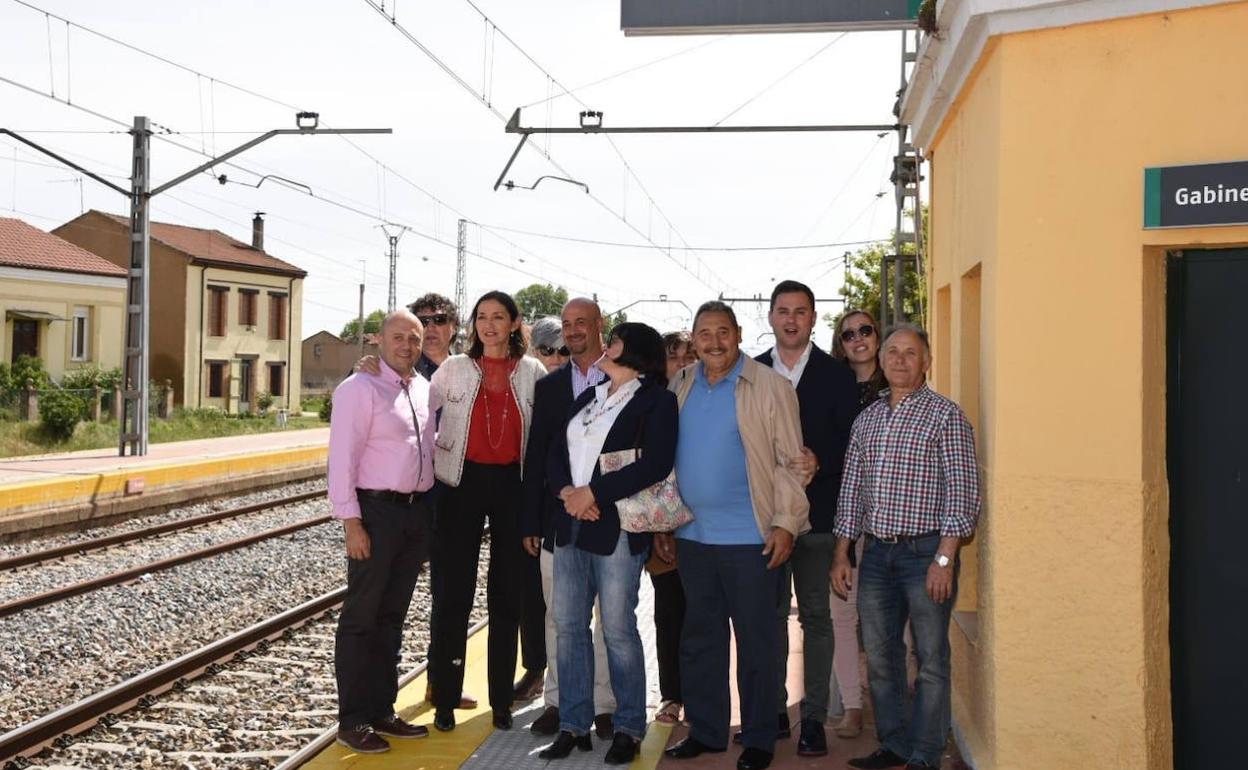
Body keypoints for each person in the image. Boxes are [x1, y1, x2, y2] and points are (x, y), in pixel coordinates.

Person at [662, 301, 810, 770]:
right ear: (694, 339)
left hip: (752, 538)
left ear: (739, 333)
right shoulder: (680, 384)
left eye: (722, 332)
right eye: (704, 333)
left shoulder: (771, 386)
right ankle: (706, 731)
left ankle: (762, 736)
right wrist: (666, 523)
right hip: (694, 537)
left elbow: (791, 462)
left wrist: (786, 523)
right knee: (700, 638)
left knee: (758, 641)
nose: (714, 341)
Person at [832, 324, 982, 770]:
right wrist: (843, 552)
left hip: (924, 556)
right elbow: (852, 491)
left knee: (931, 659)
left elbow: (963, 493)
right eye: (892, 352)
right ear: (881, 360)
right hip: (876, 555)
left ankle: (926, 752)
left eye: (910, 353)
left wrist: (944, 558)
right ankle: (894, 743)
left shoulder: (946, 416)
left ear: (927, 362)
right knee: (881, 657)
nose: (899, 360)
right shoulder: (868, 419)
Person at [538, 322, 678, 765]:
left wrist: (594, 493)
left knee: (617, 629)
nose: (605, 346)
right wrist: (568, 495)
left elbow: (655, 463)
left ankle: (629, 727)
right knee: (570, 627)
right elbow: (554, 455)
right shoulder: (588, 398)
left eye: (613, 340)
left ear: (633, 351)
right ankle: (573, 726)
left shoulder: (658, 401)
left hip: (615, 527)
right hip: (571, 524)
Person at [427, 291, 548, 732]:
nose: (489, 325)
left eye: (499, 317)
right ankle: (444, 697)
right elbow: (417, 404)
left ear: (516, 323)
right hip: (460, 485)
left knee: (506, 596)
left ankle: (500, 701)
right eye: (482, 317)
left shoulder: (533, 372)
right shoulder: (454, 369)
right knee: (453, 596)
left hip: (512, 489)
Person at [753, 280, 859, 757]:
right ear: (770, 317)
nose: (791, 319)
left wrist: (822, 460)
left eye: (801, 311)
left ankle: (812, 718)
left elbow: (853, 446)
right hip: (766, 520)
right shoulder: (751, 372)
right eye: (783, 311)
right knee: (769, 618)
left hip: (818, 521)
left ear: (814, 319)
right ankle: (774, 711)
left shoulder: (837, 375)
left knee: (816, 618)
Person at [328, 310, 436, 753]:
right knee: (361, 618)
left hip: (414, 516)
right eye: (398, 337)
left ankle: (381, 710)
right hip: (374, 513)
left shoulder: (426, 389)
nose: (406, 345)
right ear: (379, 340)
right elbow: (342, 460)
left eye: (414, 338)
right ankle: (352, 720)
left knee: (392, 618)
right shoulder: (358, 389)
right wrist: (352, 522)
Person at [520, 298, 618, 738]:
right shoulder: (551, 387)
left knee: (609, 619)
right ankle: (559, 703)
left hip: (611, 516)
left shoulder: (625, 379)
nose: (574, 331)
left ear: (600, 326)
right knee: (560, 617)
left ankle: (604, 706)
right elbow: (537, 457)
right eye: (567, 324)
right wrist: (530, 521)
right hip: (558, 520)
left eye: (582, 323)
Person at [826, 307, 888, 738]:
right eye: (849, 335)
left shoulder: (902, 382)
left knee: (891, 623)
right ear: (841, 344)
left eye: (866, 330)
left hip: (892, 520)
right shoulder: (832, 387)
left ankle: (891, 707)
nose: (859, 339)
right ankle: (852, 706)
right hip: (844, 519)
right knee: (842, 616)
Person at [512, 316, 569, 703]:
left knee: (570, 602)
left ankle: (569, 678)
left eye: (563, 350)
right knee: (529, 594)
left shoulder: (580, 385)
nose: (555, 357)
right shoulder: (519, 381)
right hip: (522, 500)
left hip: (562, 504)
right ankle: (535, 668)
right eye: (547, 350)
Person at [644, 330, 697, 726]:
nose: (682, 364)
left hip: (707, 524)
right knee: (669, 612)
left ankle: (703, 696)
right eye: (675, 357)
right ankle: (672, 696)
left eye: (689, 355)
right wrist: (661, 526)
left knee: (706, 614)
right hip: (663, 523)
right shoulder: (653, 402)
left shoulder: (710, 397)